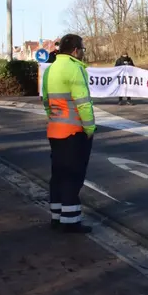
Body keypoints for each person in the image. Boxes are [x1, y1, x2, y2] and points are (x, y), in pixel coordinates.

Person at [41, 34, 95, 234]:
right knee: (73, 176)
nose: (82, 53)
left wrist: (53, 118)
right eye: (82, 49)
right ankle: (71, 221)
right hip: (74, 132)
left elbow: (46, 101)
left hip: (55, 130)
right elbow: (83, 103)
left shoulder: (51, 69)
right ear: (75, 50)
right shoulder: (75, 68)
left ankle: (56, 216)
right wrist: (90, 128)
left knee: (58, 175)